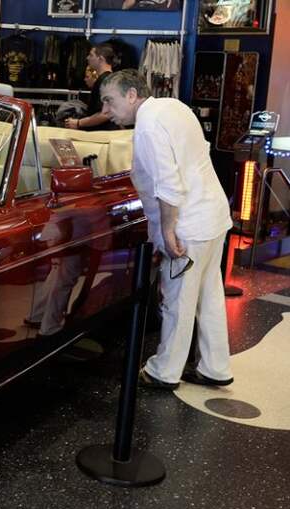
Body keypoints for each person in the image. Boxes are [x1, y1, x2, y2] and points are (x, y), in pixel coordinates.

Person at [100, 69, 234, 389]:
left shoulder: (148, 124)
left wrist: (169, 231)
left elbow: (168, 185)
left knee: (178, 300)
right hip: (213, 214)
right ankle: (215, 367)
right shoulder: (174, 106)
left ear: (132, 95)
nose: (105, 110)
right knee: (209, 296)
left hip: (189, 224)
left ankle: (164, 371)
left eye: (109, 101)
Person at [65, 43, 116, 131]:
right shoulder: (110, 79)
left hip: (101, 133)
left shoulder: (105, 80)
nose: (87, 58)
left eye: (91, 55)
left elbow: (106, 114)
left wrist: (78, 123)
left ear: (100, 59)